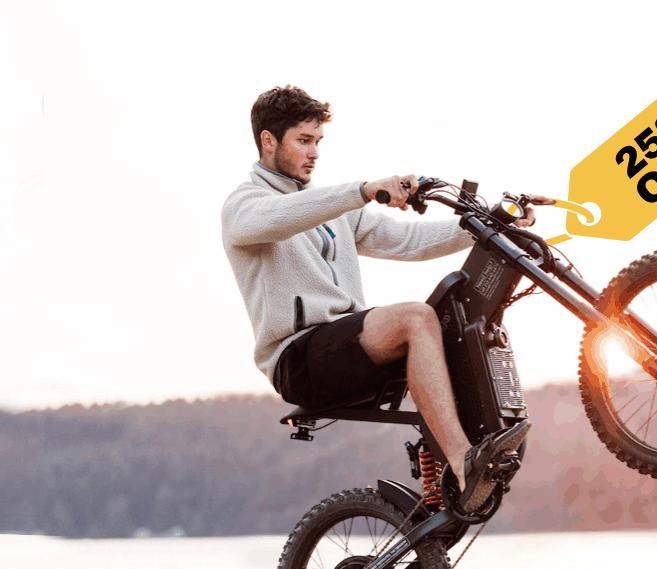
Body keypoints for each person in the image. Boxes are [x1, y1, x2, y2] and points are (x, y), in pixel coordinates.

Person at [220, 85, 532, 510]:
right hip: (298, 360)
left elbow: (409, 240)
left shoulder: (333, 211)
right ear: (268, 141)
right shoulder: (243, 206)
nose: (314, 153)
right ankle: (464, 462)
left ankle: (459, 473)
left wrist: (491, 223)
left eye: (318, 142)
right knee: (415, 318)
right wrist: (364, 190)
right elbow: (280, 217)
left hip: (346, 345)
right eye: (304, 141)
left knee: (453, 323)